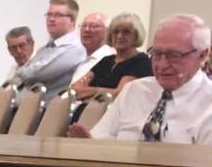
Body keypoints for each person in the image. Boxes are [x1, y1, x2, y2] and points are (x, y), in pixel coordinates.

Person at [69, 14, 212, 143]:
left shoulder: (207, 105)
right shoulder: (135, 90)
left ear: (203, 55)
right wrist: (87, 145)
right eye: (156, 54)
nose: (162, 65)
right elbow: (101, 139)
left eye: (174, 55)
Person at [70, 13, 151, 102]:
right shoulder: (106, 60)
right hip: (87, 112)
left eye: (126, 32)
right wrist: (104, 91)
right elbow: (74, 89)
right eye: (116, 32)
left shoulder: (141, 61)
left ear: (136, 35)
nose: (119, 36)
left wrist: (87, 90)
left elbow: (118, 95)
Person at [15, 0, 88, 95]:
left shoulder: (75, 48)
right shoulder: (45, 48)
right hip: (23, 106)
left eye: (58, 15)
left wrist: (21, 71)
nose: (51, 19)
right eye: (49, 14)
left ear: (72, 20)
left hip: (46, 108)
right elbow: (22, 76)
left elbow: (34, 74)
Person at [70, 12, 115, 85]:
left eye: (94, 26)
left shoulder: (109, 60)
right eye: (83, 26)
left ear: (108, 31)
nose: (86, 29)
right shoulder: (81, 58)